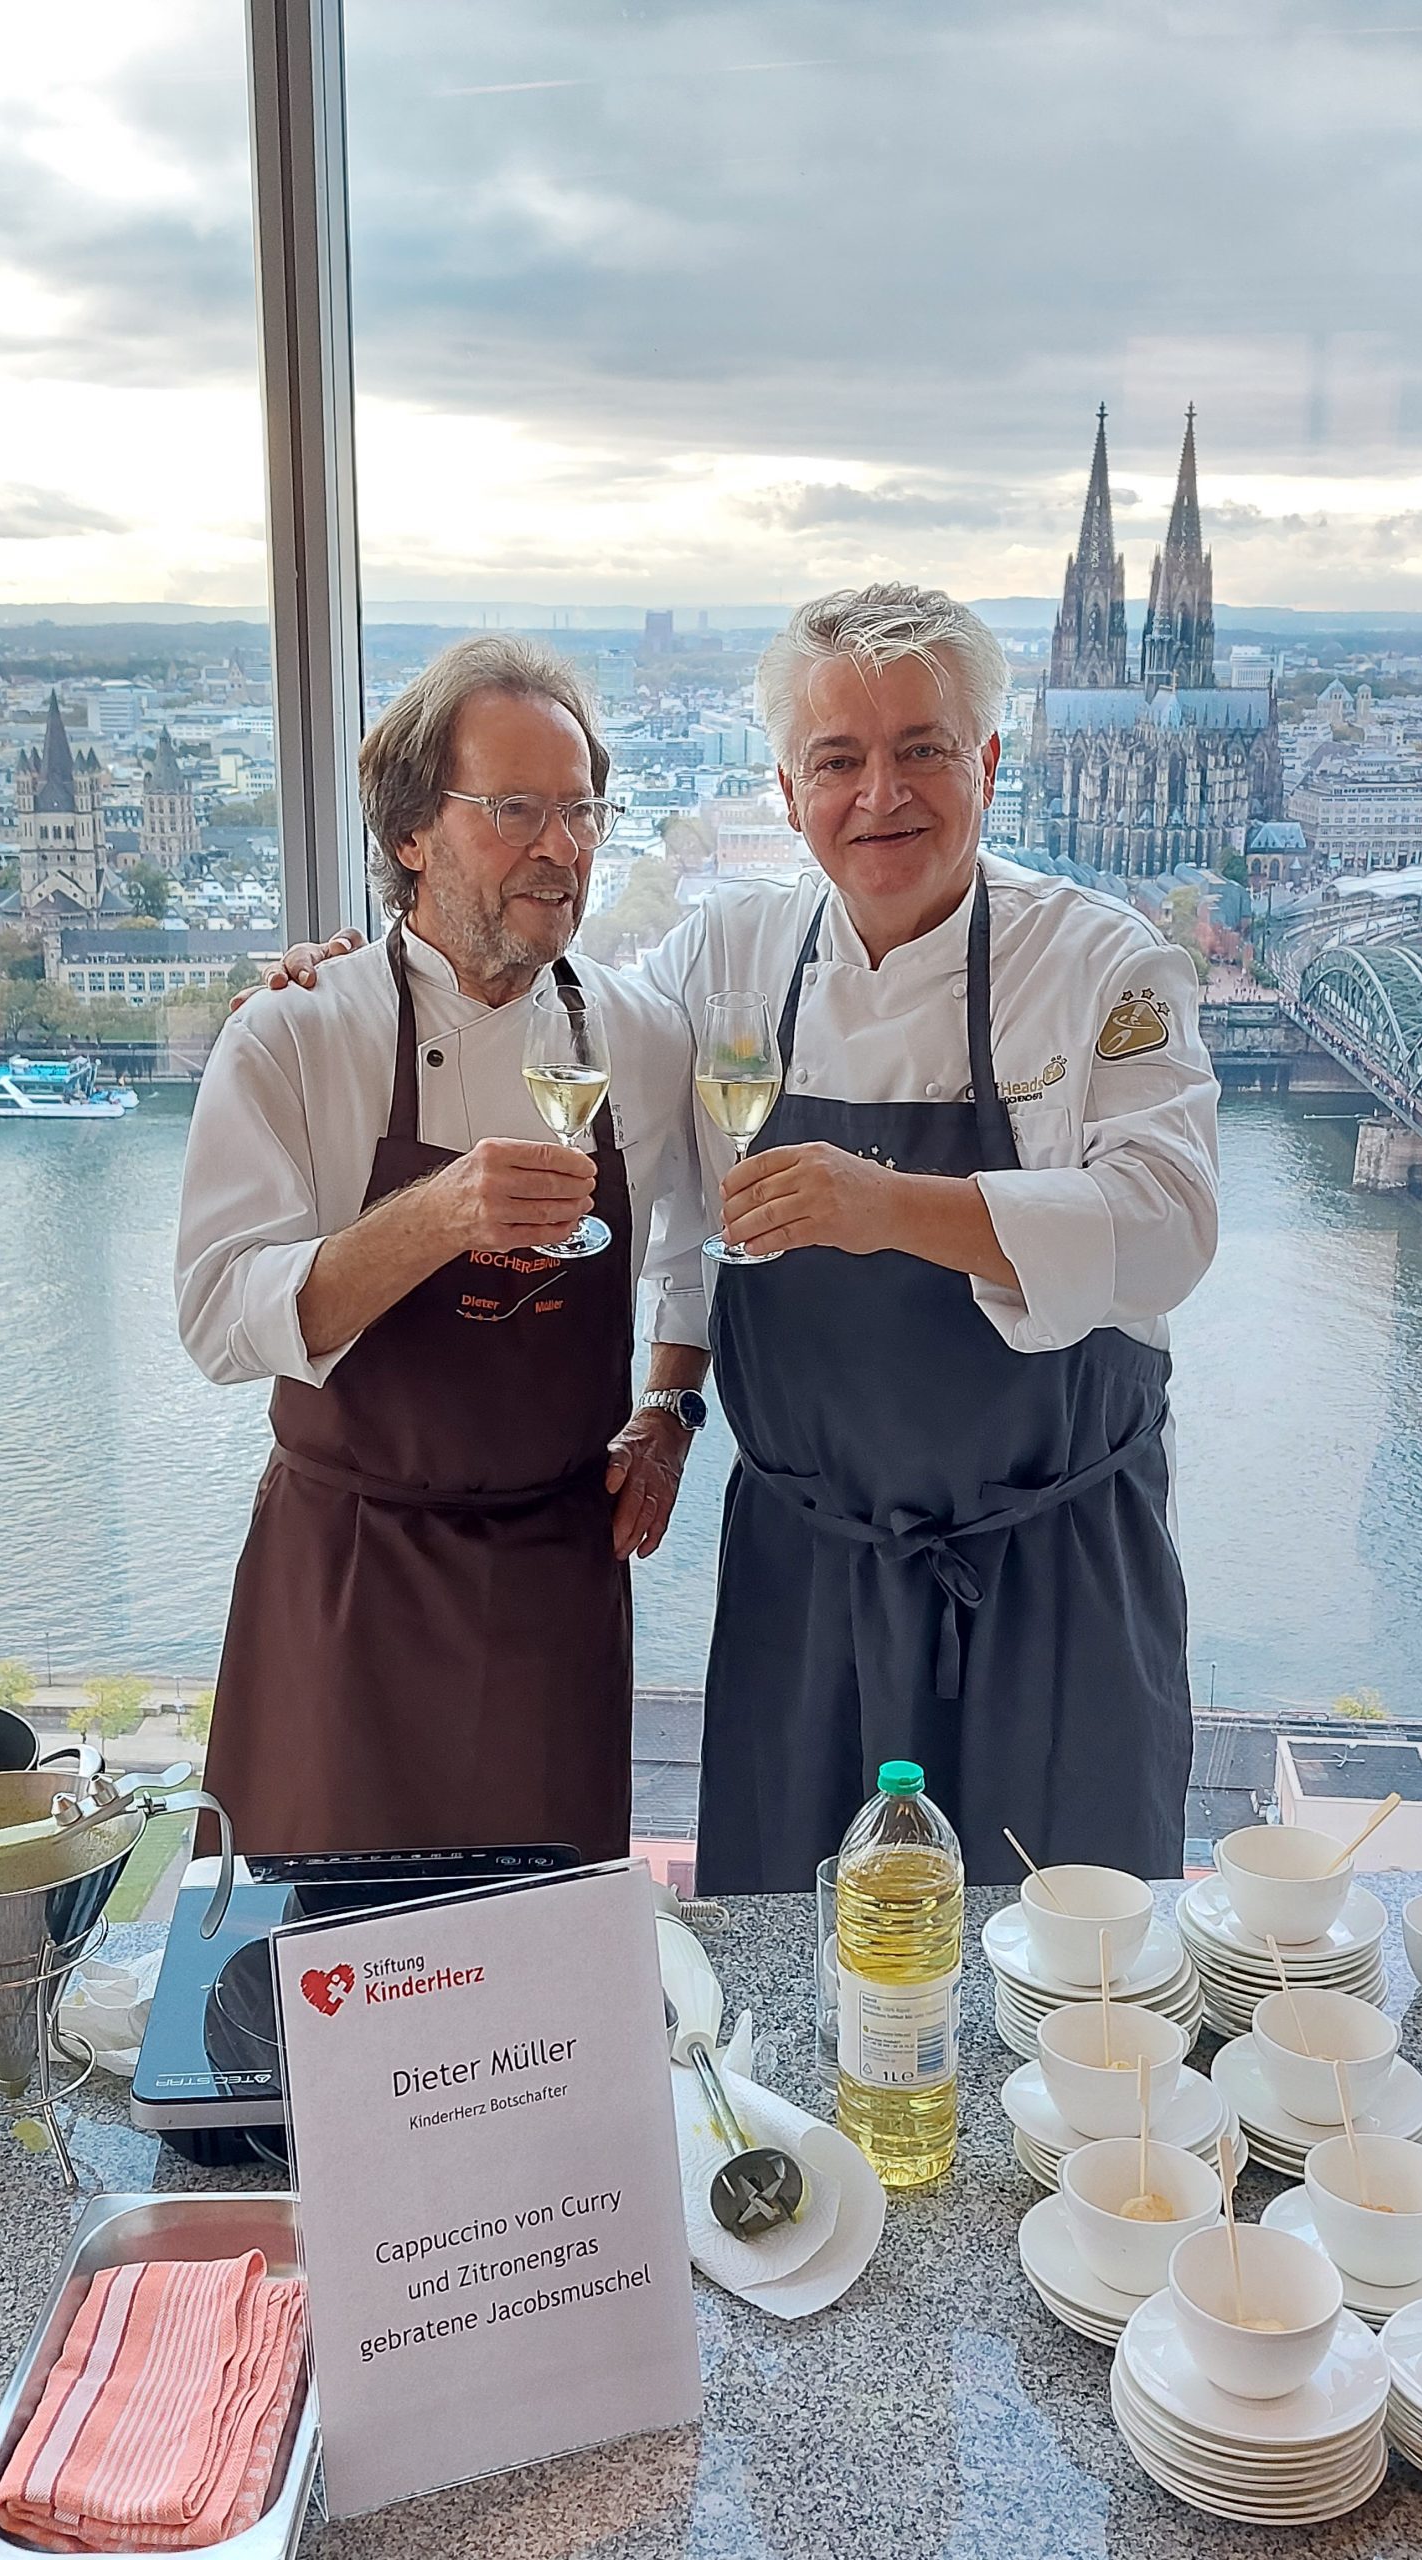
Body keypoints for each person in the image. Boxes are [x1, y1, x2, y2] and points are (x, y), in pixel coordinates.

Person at [263, 583, 1221, 1893]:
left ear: (989, 764)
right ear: (787, 790)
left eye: (922, 749)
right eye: (838, 759)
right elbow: (547, 1053)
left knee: (1076, 1974)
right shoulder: (728, 964)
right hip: (806, 1582)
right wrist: (373, 981)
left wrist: (887, 1207)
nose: (879, 793)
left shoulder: (1103, 969)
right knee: (782, 1969)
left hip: (1050, 1581)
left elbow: (1168, 1228)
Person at [175, 636, 709, 1860]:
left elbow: (697, 1237)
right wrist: (437, 1215)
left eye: (579, 810)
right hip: (348, 1582)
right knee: (320, 1982)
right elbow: (216, 1316)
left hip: (553, 1581)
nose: (562, 847)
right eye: (514, 808)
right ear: (412, 832)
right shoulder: (294, 1038)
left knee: (536, 1997)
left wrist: (672, 1409)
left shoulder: (638, 1032)